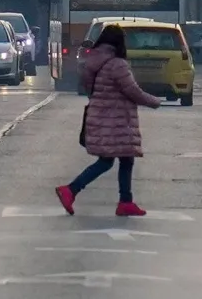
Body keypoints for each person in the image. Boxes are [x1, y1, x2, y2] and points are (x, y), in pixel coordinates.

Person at [55, 26, 160, 218]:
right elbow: (132, 90)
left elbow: (90, 89)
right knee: (110, 160)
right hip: (115, 120)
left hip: (101, 116)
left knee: (121, 159)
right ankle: (72, 190)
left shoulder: (94, 62)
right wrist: (154, 101)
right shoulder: (117, 64)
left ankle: (125, 201)